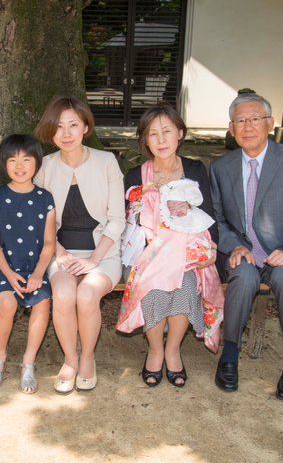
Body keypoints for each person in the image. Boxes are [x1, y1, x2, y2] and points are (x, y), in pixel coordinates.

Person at [210, 92, 283, 401]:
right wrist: (233, 245)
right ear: (231, 127)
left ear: (270, 124)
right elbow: (217, 219)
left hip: (282, 252)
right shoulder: (221, 167)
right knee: (245, 276)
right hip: (243, 254)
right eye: (240, 121)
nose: (247, 127)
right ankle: (230, 355)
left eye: (255, 119)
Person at [120, 104, 220, 388]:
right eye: (153, 134)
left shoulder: (195, 169)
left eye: (167, 132)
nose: (161, 140)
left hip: (187, 251)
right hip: (147, 252)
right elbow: (130, 224)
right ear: (145, 140)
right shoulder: (136, 176)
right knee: (152, 283)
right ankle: (154, 350)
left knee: (185, 284)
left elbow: (210, 215)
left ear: (180, 134)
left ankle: (173, 349)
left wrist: (212, 250)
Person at [34, 96, 125, 393]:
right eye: (59, 127)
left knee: (86, 295)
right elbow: (42, 221)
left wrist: (94, 260)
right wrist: (60, 254)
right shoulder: (45, 166)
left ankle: (87, 358)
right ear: (51, 132)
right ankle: (70, 360)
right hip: (60, 250)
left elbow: (116, 219)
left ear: (86, 127)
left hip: (103, 251)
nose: (66, 133)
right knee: (62, 295)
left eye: (73, 124)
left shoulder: (106, 161)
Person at [0, 134, 56, 394]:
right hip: (5, 265)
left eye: (26, 158)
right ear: (4, 163)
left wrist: (38, 273)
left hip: (35, 266)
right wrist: (9, 274)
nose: (20, 164)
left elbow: (49, 243)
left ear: (37, 163)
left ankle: (28, 363)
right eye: (12, 159)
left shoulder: (45, 198)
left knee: (42, 301)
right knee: (7, 302)